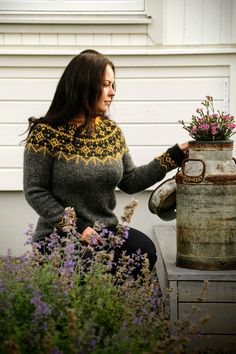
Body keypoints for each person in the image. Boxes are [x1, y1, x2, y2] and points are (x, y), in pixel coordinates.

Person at [23, 49, 188, 276]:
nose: (112, 93)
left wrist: (173, 156)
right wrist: (77, 228)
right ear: (85, 86)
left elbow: (129, 180)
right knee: (91, 265)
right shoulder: (46, 133)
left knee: (143, 250)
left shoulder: (111, 131)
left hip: (104, 229)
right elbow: (35, 190)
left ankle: (131, 311)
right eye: (106, 85)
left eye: (113, 86)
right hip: (58, 234)